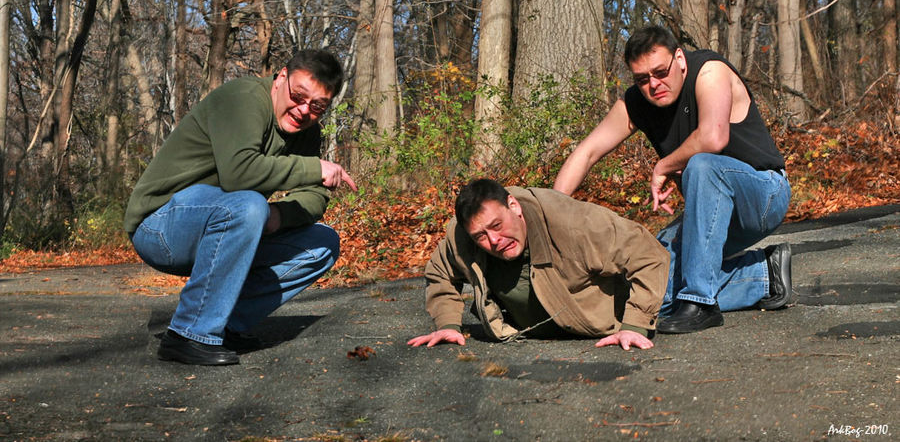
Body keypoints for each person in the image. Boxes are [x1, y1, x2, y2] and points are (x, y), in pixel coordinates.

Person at [124, 49, 357, 365]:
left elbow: (314, 197)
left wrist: (277, 216)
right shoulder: (243, 98)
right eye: (299, 96)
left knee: (322, 244)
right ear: (281, 78)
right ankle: (188, 334)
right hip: (161, 227)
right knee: (248, 204)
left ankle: (223, 323)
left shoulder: (306, 132)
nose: (304, 110)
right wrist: (315, 168)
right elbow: (239, 172)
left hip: (224, 225)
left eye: (317, 107)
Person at [553, 26, 792, 334]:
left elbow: (713, 137)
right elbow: (587, 152)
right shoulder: (636, 102)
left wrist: (662, 166)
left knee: (703, 165)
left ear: (679, 58)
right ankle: (764, 275)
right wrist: (551, 212)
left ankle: (701, 304)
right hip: (709, 215)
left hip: (763, 195)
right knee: (649, 283)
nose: (654, 85)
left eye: (660, 72)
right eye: (642, 79)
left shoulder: (709, 72)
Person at [407, 178, 669, 351]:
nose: (495, 240)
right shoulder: (462, 235)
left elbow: (647, 255)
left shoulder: (574, 223)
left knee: (678, 269)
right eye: (481, 237)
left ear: (514, 205)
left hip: (633, 304)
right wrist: (448, 324)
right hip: (546, 325)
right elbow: (439, 273)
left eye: (497, 225)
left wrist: (635, 326)